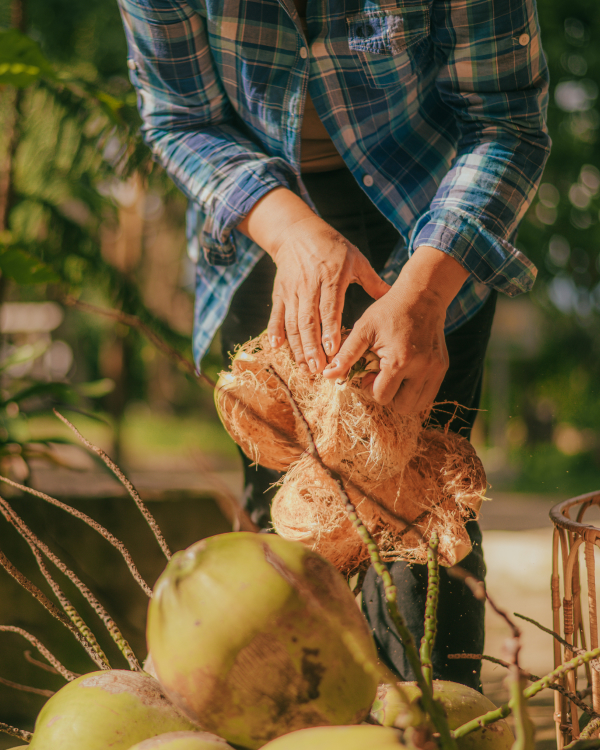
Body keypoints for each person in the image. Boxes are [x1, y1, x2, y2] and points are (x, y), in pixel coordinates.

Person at [117, 0, 549, 690]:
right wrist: (292, 233)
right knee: (289, 526)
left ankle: (432, 718)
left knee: (420, 523)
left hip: (435, 219)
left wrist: (428, 292)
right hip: (263, 216)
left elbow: (505, 121)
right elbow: (180, 118)